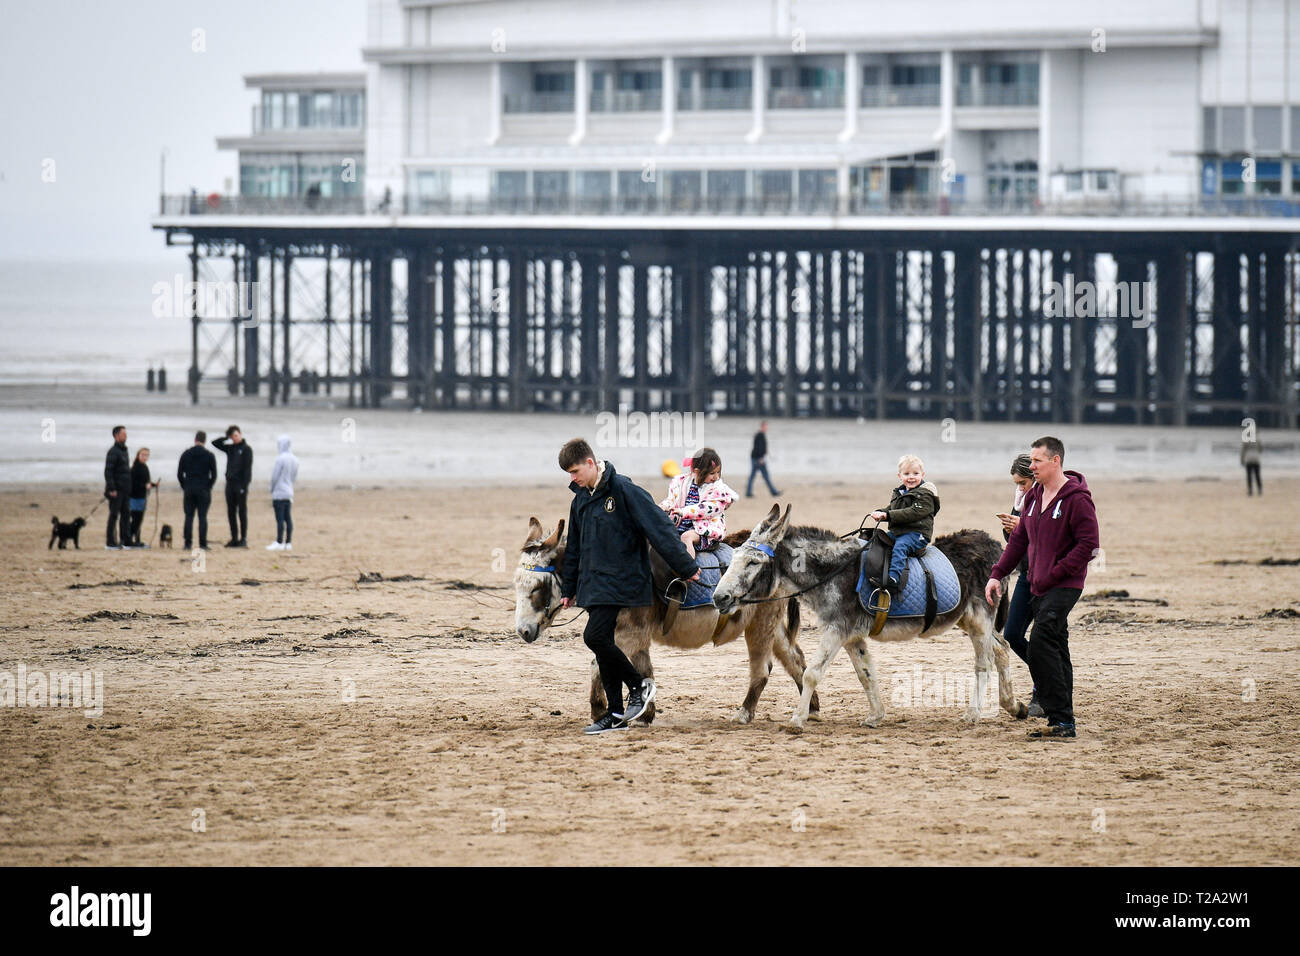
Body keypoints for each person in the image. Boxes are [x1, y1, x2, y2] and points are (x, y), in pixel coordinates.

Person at [556, 437, 700, 735]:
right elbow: (574, 549)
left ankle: (639, 686)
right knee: (602, 644)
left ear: (590, 463)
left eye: (574, 472)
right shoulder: (580, 499)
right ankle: (616, 713)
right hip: (595, 585)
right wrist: (569, 588)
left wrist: (687, 566)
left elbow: (658, 528)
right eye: (569, 474)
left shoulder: (624, 490)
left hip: (625, 581)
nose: (573, 479)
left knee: (594, 637)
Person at [985, 436, 1099, 740]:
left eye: (1036, 461)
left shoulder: (1077, 498)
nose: (1032, 465)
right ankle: (1062, 716)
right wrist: (997, 574)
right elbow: (1020, 540)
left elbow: (1089, 545)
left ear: (1055, 461)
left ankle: (1060, 718)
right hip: (1035, 581)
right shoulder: (1033, 498)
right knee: (1057, 647)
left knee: (1042, 640)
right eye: (1031, 461)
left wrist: (1055, 573)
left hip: (1064, 584)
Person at [997, 453, 1041, 717]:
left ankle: (1042, 691)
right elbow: (1014, 540)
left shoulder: (1049, 498)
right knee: (1012, 635)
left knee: (1045, 638)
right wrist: (1011, 525)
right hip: (1026, 573)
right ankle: (1047, 677)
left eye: (1023, 482)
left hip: (1050, 576)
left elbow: (1049, 535)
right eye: (1016, 483)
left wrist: (1023, 525)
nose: (1020, 488)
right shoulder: (1022, 498)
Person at [869, 454, 940, 600]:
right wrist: (881, 512)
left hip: (917, 534)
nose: (911, 477)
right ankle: (873, 570)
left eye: (915, 473)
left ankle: (893, 578)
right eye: (906, 474)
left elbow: (913, 513)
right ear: (900, 476)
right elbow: (892, 508)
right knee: (876, 538)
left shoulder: (926, 495)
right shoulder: (900, 492)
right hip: (899, 531)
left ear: (923, 474)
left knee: (900, 547)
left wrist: (888, 516)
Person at [659, 447, 737, 559]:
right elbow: (672, 500)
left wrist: (683, 511)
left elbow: (706, 509)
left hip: (704, 530)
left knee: (686, 538)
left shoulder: (718, 489)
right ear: (697, 472)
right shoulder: (681, 483)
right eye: (712, 473)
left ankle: (690, 571)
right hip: (681, 525)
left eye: (718, 472)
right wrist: (663, 506)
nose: (716, 477)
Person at [212, 425, 253, 547]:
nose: (234, 438)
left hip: (241, 485)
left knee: (242, 512)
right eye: (232, 436)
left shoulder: (246, 449)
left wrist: (244, 486)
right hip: (230, 484)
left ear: (240, 434)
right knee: (231, 512)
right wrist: (226, 437)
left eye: (236, 435)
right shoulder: (231, 448)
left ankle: (243, 538)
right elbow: (215, 443)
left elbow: (247, 470)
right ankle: (234, 538)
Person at [178, 430, 218, 550]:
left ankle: (188, 543)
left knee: (189, 516)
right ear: (204, 441)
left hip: (189, 487)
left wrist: (184, 485)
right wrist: (209, 485)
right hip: (203, 488)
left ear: (195, 440)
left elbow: (180, 473)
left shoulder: (186, 454)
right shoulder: (209, 455)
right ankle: (202, 543)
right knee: (202, 517)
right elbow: (214, 474)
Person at [267, 434, 299, 551]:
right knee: (288, 518)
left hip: (279, 492)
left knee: (280, 518)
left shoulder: (280, 459)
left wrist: (271, 488)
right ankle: (288, 542)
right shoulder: (295, 459)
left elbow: (275, 476)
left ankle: (279, 541)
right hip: (289, 491)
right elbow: (294, 476)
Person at [103, 426, 132, 550]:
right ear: (116, 435)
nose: (125, 436)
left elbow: (125, 470)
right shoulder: (113, 451)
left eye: (126, 434)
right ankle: (110, 542)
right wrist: (112, 488)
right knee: (114, 515)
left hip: (125, 489)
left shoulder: (124, 451)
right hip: (116, 490)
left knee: (126, 515)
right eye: (123, 434)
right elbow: (108, 472)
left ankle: (125, 540)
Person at [127, 448, 160, 548]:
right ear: (138, 455)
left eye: (147, 455)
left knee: (139, 520)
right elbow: (133, 484)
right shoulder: (135, 468)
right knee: (136, 520)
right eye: (143, 455)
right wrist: (145, 486)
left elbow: (146, 482)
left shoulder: (144, 466)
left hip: (142, 497)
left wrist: (154, 485)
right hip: (134, 498)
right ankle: (129, 540)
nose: (145, 457)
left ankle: (137, 540)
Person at [745, 420, 783, 498]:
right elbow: (757, 448)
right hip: (757, 459)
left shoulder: (761, 435)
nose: (766, 428)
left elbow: (762, 447)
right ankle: (773, 492)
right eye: (765, 427)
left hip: (757, 458)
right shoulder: (759, 435)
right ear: (762, 427)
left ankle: (748, 493)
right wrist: (760, 458)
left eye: (767, 427)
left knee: (755, 476)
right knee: (763, 476)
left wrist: (765, 454)